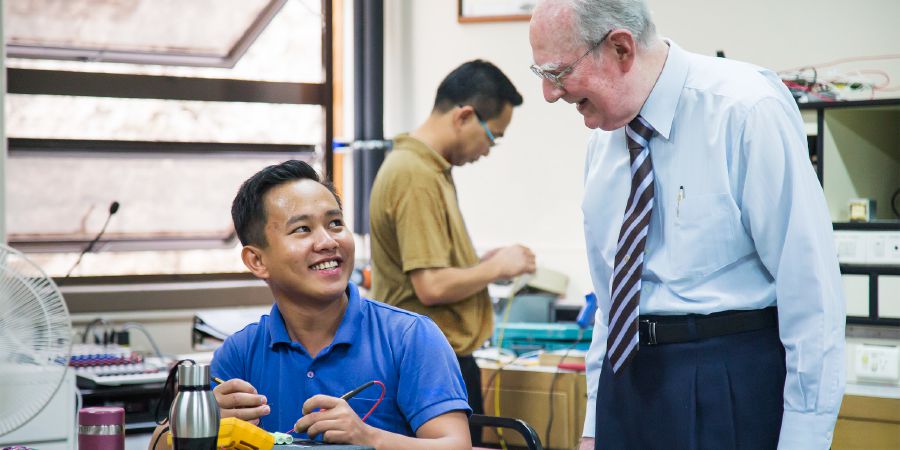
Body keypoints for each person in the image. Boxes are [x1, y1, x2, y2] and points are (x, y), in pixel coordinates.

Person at [529, 1, 845, 449]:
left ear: (620, 49)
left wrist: (804, 441)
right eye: (540, 74)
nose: (549, 93)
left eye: (558, 73)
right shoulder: (604, 143)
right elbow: (611, 302)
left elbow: (812, 295)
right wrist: (594, 425)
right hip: (627, 383)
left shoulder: (744, 110)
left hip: (725, 379)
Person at [150, 160, 471, 450]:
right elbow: (158, 444)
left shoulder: (410, 336)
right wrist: (201, 424)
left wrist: (370, 438)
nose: (328, 242)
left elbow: (456, 446)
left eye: (335, 223)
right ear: (257, 260)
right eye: (302, 229)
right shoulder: (241, 352)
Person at [368, 59, 537, 443]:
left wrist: (479, 264)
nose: (488, 150)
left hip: (434, 360)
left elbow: (430, 270)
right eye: (492, 136)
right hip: (428, 365)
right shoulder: (415, 174)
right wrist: (497, 268)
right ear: (464, 116)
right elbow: (430, 286)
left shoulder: (429, 169)